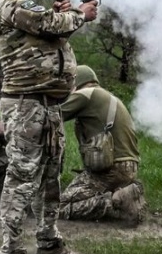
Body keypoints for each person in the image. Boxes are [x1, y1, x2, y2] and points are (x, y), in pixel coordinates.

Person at [0, 0, 98, 254]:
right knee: (21, 178)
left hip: (47, 105)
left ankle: (49, 244)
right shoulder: (8, 1)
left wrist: (66, 14)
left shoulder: (23, 3)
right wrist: (79, 14)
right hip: (25, 104)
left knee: (51, 178)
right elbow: (46, 23)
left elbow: (51, 29)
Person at [59, 65, 145, 224]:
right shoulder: (108, 97)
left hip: (111, 169)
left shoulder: (85, 94)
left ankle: (114, 204)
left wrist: (9, 124)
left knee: (60, 206)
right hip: (129, 166)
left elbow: (51, 116)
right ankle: (125, 191)